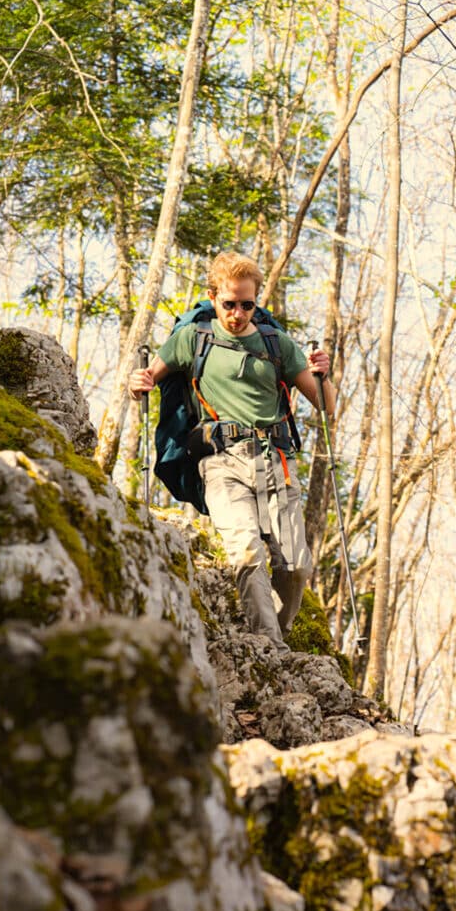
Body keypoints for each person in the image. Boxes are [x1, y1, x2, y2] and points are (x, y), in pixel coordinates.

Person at [128, 252, 335, 653]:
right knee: (246, 552)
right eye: (229, 303)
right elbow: (148, 377)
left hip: (277, 461)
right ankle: (269, 648)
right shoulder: (194, 338)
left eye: (247, 304)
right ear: (213, 296)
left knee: (294, 564)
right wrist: (139, 382)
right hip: (221, 462)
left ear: (257, 301)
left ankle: (279, 631)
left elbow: (325, 405)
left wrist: (326, 373)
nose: (238, 313)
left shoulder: (279, 345)